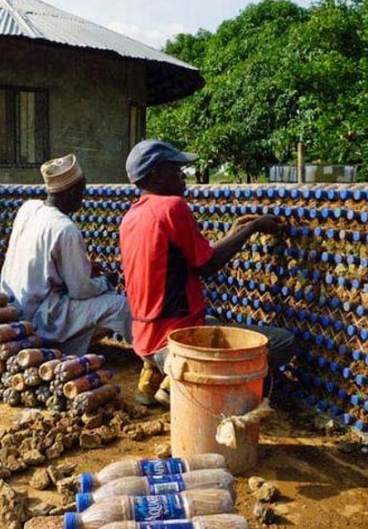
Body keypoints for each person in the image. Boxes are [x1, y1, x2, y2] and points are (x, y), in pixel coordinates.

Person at [120, 139, 296, 406]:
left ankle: (152, 377)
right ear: (156, 175)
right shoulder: (172, 207)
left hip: (143, 339)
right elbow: (208, 266)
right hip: (174, 342)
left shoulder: (131, 217)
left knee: (212, 319)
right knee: (283, 342)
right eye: (176, 169)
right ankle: (180, 383)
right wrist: (253, 228)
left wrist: (233, 233)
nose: (184, 176)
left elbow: (194, 257)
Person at [0, 154, 133, 356]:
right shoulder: (65, 228)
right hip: (41, 317)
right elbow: (80, 289)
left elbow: (42, 264)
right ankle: (151, 359)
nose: (83, 195)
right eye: (82, 189)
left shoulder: (28, 208)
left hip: (12, 310)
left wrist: (86, 268)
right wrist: (106, 281)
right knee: (120, 306)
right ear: (71, 192)